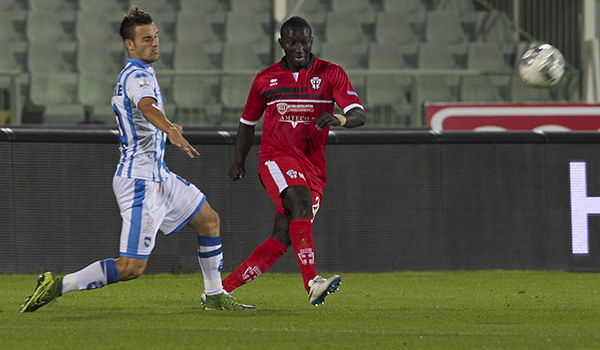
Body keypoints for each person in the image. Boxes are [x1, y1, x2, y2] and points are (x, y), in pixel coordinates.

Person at [20, 7, 254, 312]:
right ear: (130, 45)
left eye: (155, 37)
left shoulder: (141, 73)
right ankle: (58, 285)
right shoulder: (136, 75)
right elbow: (146, 107)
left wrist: (167, 128)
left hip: (160, 176)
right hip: (139, 181)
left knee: (209, 220)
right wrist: (169, 128)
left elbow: (144, 113)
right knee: (131, 267)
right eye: (146, 39)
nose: (154, 43)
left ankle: (215, 295)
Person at [221, 16, 366, 306]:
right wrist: (239, 159)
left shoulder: (330, 73)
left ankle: (219, 290)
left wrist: (339, 118)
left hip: (313, 168)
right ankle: (312, 282)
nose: (299, 48)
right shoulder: (266, 79)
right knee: (298, 201)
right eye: (293, 42)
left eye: (305, 42)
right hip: (276, 158)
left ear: (311, 41)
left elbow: (358, 114)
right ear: (282, 44)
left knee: (283, 236)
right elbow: (247, 123)